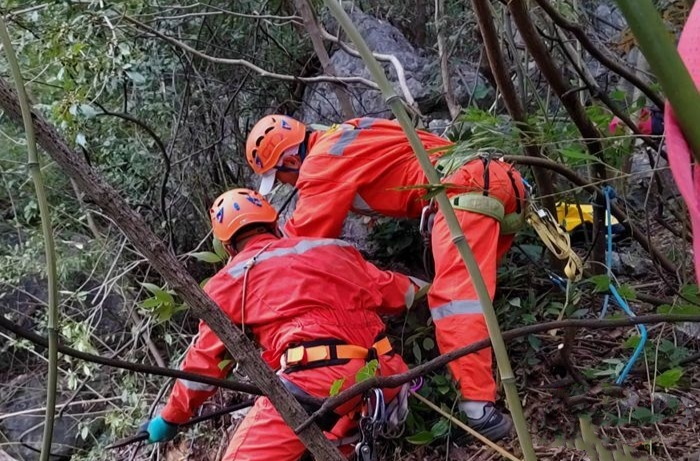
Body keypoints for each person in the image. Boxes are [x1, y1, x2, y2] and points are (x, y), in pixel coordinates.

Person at [245, 115, 528, 441]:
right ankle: (491, 386)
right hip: (502, 181)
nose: (288, 185)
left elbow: (301, 249)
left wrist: (253, 269)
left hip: (463, 190)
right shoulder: (351, 129)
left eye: (282, 177)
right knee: (474, 300)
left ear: (292, 160)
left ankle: (480, 411)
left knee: (457, 303)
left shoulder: (322, 162)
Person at [140, 188, 425, 460]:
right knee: (336, 442)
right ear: (274, 224)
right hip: (385, 374)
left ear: (228, 246)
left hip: (318, 382)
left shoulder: (229, 281)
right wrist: (441, 288)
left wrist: (171, 417)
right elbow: (400, 291)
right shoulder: (333, 249)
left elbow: (205, 365)